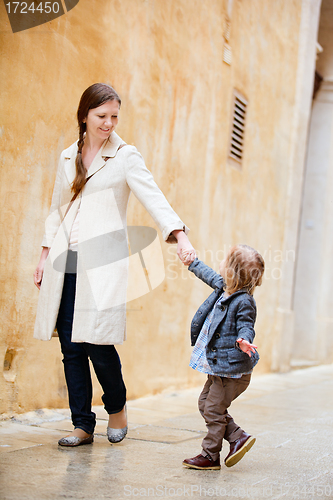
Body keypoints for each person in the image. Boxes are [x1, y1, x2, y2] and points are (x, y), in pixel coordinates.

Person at [33, 83, 196, 447]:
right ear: (85, 116)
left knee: (98, 342)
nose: (109, 124)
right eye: (102, 116)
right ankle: (82, 424)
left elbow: (153, 195)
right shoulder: (67, 157)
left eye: (114, 117)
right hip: (65, 260)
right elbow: (57, 209)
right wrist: (44, 256)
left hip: (102, 263)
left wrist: (179, 235)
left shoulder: (125, 155)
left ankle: (117, 407)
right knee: (71, 347)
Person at [182, 244, 265, 470]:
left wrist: (244, 340)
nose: (221, 264)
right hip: (219, 365)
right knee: (205, 404)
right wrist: (192, 263)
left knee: (213, 409)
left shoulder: (244, 301)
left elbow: (246, 325)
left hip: (232, 371)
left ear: (232, 271)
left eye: (225, 261)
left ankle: (210, 455)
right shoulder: (224, 286)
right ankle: (238, 436)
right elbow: (208, 274)